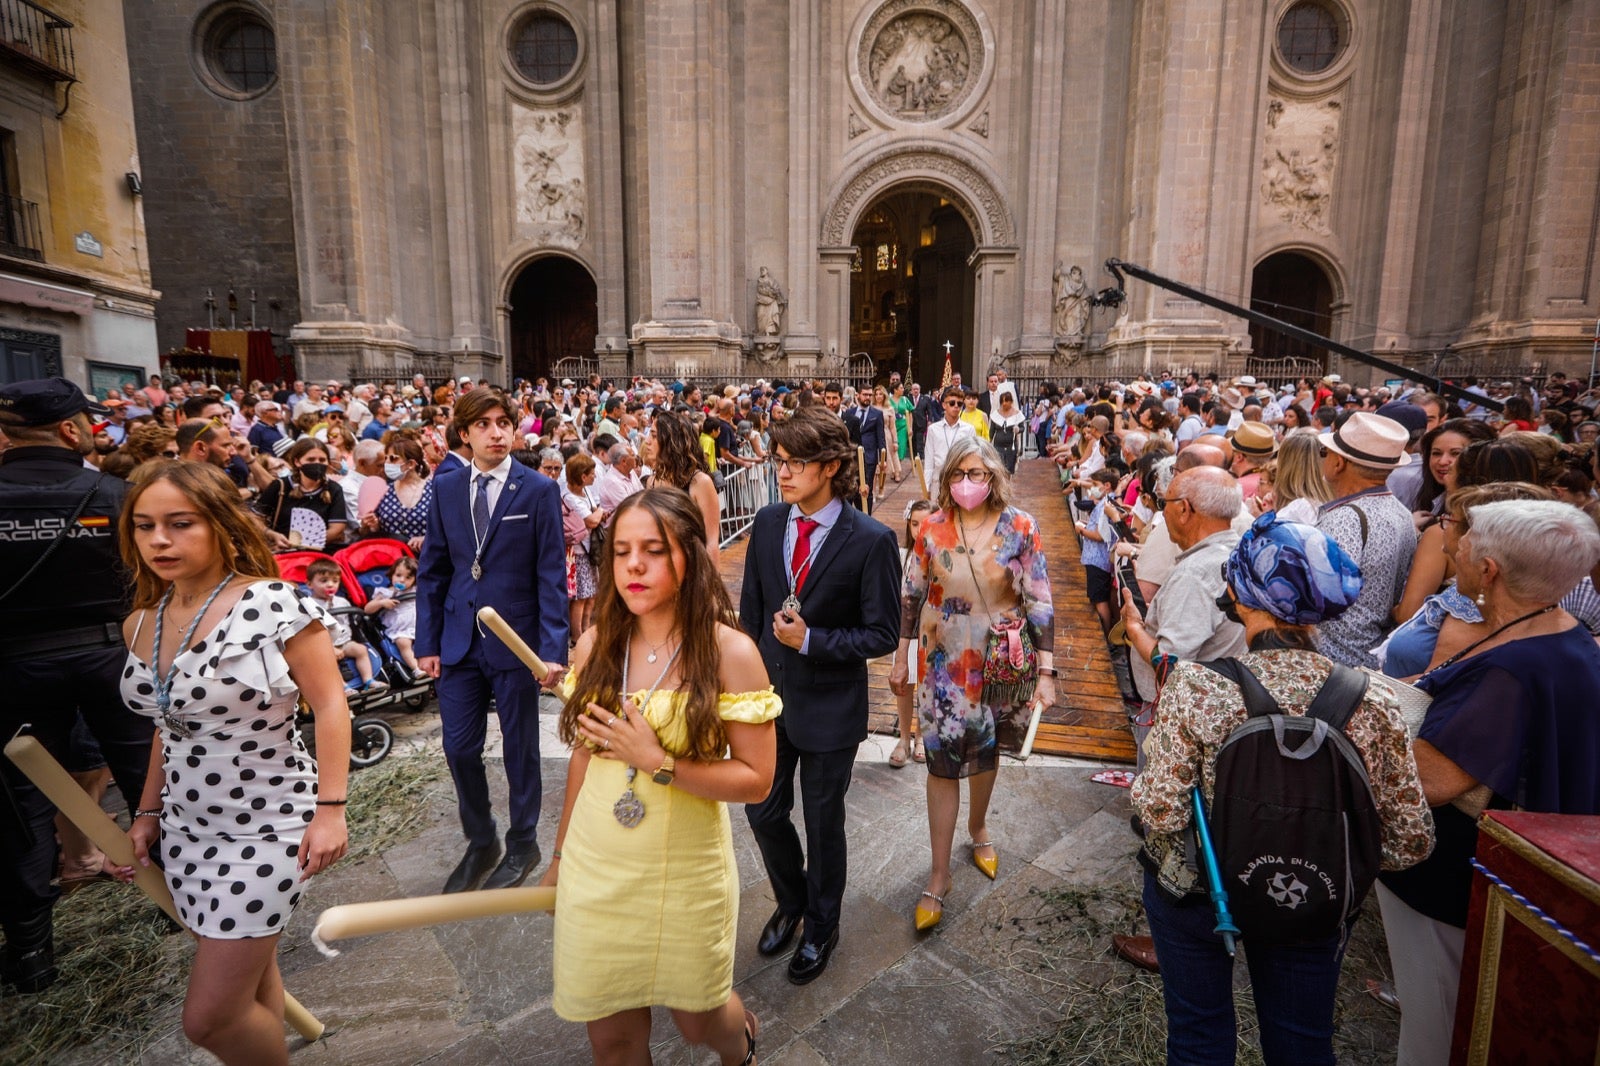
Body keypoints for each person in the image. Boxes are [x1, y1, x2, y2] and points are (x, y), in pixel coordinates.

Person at [1132, 516, 1433, 1066]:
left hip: (1204, 888)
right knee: (1301, 1041)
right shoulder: (1376, 702)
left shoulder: (1199, 685)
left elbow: (1160, 809)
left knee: (1199, 1033)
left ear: (1243, 595)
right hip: (1312, 897)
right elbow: (1410, 841)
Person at [112, 461, 351, 1065]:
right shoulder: (141, 621)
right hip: (187, 830)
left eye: (179, 523)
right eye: (144, 526)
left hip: (271, 823)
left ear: (219, 523)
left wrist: (331, 810)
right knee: (252, 987)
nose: (159, 539)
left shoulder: (275, 603)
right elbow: (166, 729)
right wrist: (146, 813)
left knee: (210, 1019)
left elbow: (330, 706)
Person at [539, 487, 777, 1064]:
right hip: (597, 866)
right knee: (613, 1038)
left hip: (685, 872)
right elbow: (584, 757)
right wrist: (560, 857)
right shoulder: (595, 643)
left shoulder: (731, 653)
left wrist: (660, 762)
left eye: (653, 549)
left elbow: (757, 780)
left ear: (688, 558)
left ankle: (738, 1042)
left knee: (699, 1020)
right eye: (621, 552)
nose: (634, 566)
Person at [1378, 500, 1600, 1066]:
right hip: (1485, 869)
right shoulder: (1559, 629)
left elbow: (1431, 779)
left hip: (1450, 876)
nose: (1454, 542)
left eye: (1468, 536)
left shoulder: (1514, 668)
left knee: (1437, 1027)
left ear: (1491, 568)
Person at [0, 378, 154, 994]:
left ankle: (33, 954)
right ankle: (184, 907)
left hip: (13, 669)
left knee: (20, 806)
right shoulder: (114, 494)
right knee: (150, 781)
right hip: (109, 658)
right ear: (71, 430)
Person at [740, 408, 900, 984]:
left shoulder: (871, 540)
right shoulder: (766, 522)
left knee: (823, 822)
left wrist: (813, 640)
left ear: (831, 466)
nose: (782, 473)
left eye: (795, 463)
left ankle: (823, 924)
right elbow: (752, 613)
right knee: (762, 811)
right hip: (768, 702)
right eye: (778, 461)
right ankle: (792, 900)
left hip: (831, 706)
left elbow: (883, 633)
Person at [891, 436, 1055, 931]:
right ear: (947, 481)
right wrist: (900, 659)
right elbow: (910, 595)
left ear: (993, 476)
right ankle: (938, 874)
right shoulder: (933, 529)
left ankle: (979, 827)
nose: (967, 483)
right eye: (958, 475)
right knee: (941, 763)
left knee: (987, 749)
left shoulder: (1021, 526)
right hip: (942, 661)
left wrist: (1047, 672)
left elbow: (1041, 600)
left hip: (1000, 663)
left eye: (977, 474)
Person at [416, 388, 570, 894]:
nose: (497, 432)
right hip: (459, 638)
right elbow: (434, 569)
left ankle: (523, 840)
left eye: (504, 421)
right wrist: (428, 640)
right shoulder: (447, 487)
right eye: (484, 424)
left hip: (516, 640)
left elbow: (551, 575)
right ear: (465, 433)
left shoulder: (537, 489)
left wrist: (552, 651)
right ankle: (481, 839)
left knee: (520, 749)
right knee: (459, 748)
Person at [1314, 412, 1418, 669]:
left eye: (1325, 453)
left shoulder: (1344, 518)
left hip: (1336, 660)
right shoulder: (1401, 513)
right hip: (1368, 654)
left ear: (1339, 463)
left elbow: (1321, 596)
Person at [305, 557, 387, 693]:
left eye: (335, 581)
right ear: (309, 584)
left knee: (361, 649)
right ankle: (343, 686)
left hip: (344, 641)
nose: (330, 585)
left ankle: (369, 680)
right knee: (327, 659)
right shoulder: (309, 604)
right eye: (324, 581)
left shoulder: (342, 601)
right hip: (324, 645)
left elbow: (349, 623)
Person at [649, 409, 721, 564]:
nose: (647, 441)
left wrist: (711, 585)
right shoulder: (651, 481)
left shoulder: (700, 482)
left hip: (691, 568)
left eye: (654, 436)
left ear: (671, 441)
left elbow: (711, 542)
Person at [254, 437, 349, 550]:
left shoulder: (334, 489)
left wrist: (306, 542)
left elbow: (337, 529)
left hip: (320, 553)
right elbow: (255, 518)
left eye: (322, 460)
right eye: (311, 459)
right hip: (283, 552)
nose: (317, 464)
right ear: (297, 462)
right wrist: (272, 534)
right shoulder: (280, 486)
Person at [562, 453, 608, 639]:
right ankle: (578, 636)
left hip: (590, 549)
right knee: (581, 597)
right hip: (579, 552)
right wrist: (600, 512)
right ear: (583, 476)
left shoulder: (585, 491)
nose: (594, 476)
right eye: (591, 473)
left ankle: (587, 631)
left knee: (591, 596)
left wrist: (597, 514)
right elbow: (591, 520)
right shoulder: (569, 496)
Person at [363, 437, 433, 552]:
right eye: (386, 459)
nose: (387, 463)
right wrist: (373, 526)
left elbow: (448, 527)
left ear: (411, 463)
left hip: (427, 557)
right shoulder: (382, 491)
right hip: (390, 558)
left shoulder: (434, 490)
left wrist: (427, 538)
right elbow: (374, 532)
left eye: (393, 459)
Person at [364, 555, 423, 677]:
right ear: (391, 575)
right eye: (398, 575)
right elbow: (367, 609)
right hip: (400, 629)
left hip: (420, 625)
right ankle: (416, 668)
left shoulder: (416, 590)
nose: (402, 580)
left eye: (408, 577)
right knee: (403, 644)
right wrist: (381, 603)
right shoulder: (385, 592)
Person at [923, 387, 977, 496]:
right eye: (952, 403)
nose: (956, 406)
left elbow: (972, 458)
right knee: (937, 512)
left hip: (960, 482)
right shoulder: (933, 429)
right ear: (944, 405)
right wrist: (926, 487)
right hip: (938, 482)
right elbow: (929, 461)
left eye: (959, 404)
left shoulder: (969, 429)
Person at [842, 384, 887, 513]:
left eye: (869, 395)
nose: (867, 397)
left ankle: (866, 516)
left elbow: (881, 437)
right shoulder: (849, 413)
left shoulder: (877, 414)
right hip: (851, 458)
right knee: (849, 490)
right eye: (865, 394)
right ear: (858, 395)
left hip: (869, 457)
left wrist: (883, 458)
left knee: (867, 488)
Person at [989, 384, 1026, 474]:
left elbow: (1022, 428)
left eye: (1007, 401)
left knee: (1009, 470)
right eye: (1002, 401)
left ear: (1011, 401)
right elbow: (991, 432)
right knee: (999, 469)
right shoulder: (996, 414)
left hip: (1011, 447)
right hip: (998, 447)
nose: (1004, 403)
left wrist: (1018, 429)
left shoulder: (1017, 414)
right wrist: (989, 444)